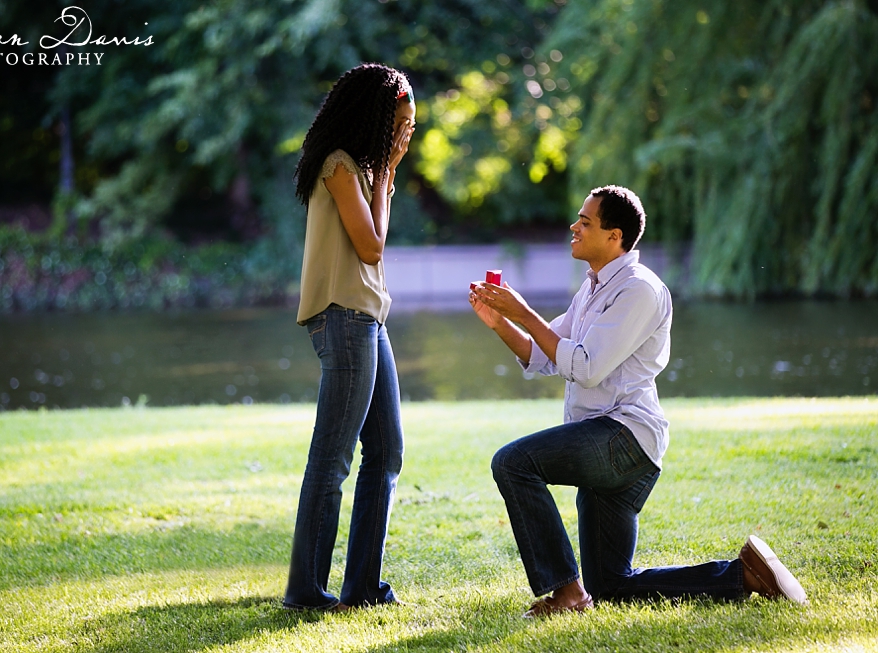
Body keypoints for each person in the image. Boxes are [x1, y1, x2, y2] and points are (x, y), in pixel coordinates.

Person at [468, 185, 807, 617]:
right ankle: (743, 576)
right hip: (604, 442)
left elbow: (586, 367)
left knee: (513, 462)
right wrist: (501, 322)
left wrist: (524, 312)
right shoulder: (592, 287)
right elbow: (544, 354)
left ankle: (567, 594)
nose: (574, 226)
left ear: (615, 236)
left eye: (586, 222)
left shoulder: (639, 290)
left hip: (624, 440)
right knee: (610, 585)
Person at [283, 63, 416, 611]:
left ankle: (362, 586)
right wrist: (385, 173)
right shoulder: (339, 165)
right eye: (401, 124)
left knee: (386, 451)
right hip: (344, 318)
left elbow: (373, 242)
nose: (406, 135)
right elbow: (371, 246)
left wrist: (383, 173)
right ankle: (307, 589)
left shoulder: (360, 168)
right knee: (333, 458)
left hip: (368, 318)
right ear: (376, 118)